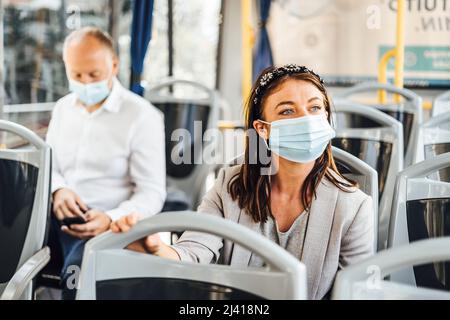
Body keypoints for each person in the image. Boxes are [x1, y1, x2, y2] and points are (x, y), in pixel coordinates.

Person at [111, 64, 374, 300]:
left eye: (315, 107)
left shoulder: (354, 207)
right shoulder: (229, 185)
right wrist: (156, 249)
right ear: (263, 129)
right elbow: (194, 251)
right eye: (287, 111)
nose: (305, 118)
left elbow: (356, 293)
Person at [46, 27, 166, 299]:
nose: (85, 83)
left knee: (78, 276)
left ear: (113, 66)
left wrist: (110, 218)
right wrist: (58, 189)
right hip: (53, 216)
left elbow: (152, 192)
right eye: (76, 75)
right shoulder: (63, 109)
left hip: (105, 225)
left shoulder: (142, 116)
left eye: (94, 75)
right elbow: (49, 163)